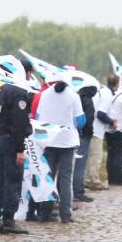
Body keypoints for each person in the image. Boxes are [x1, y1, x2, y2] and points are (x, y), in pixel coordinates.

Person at [0, 77, 33, 234]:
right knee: (13, 180)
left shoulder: (2, 91)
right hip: (10, 142)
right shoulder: (19, 93)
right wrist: (20, 149)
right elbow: (19, 123)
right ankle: (8, 219)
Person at [34, 75, 85, 223]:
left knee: (48, 177)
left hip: (49, 141)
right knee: (65, 178)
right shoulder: (73, 96)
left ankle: (45, 213)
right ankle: (65, 214)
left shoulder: (45, 94)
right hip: (67, 143)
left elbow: (38, 116)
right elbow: (80, 121)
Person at [86, 74, 118, 191]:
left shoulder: (102, 91)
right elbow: (101, 114)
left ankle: (88, 179)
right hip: (96, 130)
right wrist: (111, 122)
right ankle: (93, 180)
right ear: (117, 85)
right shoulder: (108, 95)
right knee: (96, 156)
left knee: (90, 156)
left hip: (91, 127)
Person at [72, 84, 97, 202]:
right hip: (84, 136)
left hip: (75, 134)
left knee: (74, 165)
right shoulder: (87, 100)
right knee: (80, 165)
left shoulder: (77, 96)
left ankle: (74, 191)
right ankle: (78, 192)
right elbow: (89, 119)